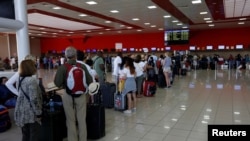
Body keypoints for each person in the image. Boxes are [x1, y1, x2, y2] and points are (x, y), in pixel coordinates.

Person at [54, 46, 93, 141]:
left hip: (68, 95)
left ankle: (72, 139)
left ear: (66, 56)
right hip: (81, 95)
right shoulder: (82, 66)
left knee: (70, 120)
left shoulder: (62, 68)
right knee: (82, 119)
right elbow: (90, 81)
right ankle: (83, 139)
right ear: (75, 56)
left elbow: (57, 83)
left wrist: (64, 83)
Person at [14, 59, 42, 141]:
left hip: (21, 109)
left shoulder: (19, 79)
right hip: (30, 112)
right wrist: (38, 113)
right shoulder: (31, 80)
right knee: (34, 134)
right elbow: (34, 98)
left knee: (25, 134)